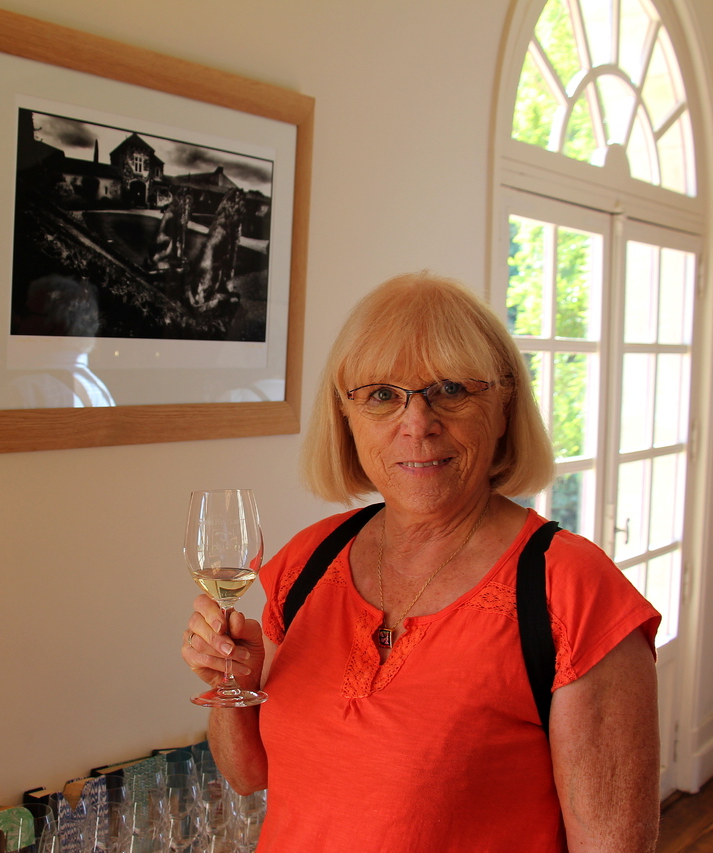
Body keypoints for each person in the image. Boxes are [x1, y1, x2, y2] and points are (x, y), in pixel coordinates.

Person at [181, 272, 661, 851]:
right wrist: (233, 683)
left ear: (504, 408)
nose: (417, 424)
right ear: (346, 416)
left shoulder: (572, 591)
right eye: (382, 396)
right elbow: (248, 775)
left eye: (451, 389)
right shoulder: (308, 560)